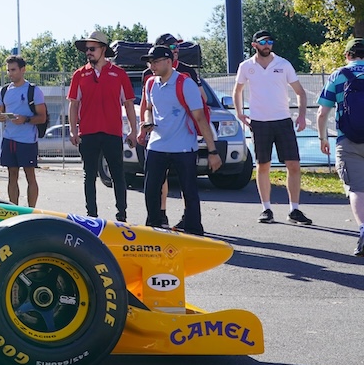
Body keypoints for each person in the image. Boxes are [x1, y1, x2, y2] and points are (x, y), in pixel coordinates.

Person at [136, 46, 222, 235]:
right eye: (150, 62)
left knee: (189, 191)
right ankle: (154, 227)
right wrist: (147, 121)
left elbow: (200, 117)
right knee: (151, 190)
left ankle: (193, 229)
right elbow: (149, 107)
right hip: (156, 145)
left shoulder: (185, 83)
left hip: (183, 147)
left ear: (168, 61)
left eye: (156, 61)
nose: (152, 65)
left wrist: (212, 151)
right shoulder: (150, 83)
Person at [234, 29, 310, 225]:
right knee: (262, 165)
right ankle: (266, 209)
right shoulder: (246, 66)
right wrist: (240, 112)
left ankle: (294, 210)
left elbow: (300, 92)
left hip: (283, 120)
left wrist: (301, 115)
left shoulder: (283, 64)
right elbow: (238, 90)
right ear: (254, 45)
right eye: (262, 41)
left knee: (293, 165)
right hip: (259, 122)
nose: (267, 45)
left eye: (270, 41)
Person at [68, 30, 136, 222]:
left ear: (103, 50)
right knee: (89, 175)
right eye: (86, 49)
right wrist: (73, 130)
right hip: (88, 133)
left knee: (117, 174)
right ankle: (91, 215)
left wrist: (133, 130)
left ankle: (121, 215)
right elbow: (73, 104)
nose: (88, 52)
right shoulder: (79, 75)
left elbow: (129, 103)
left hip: (112, 132)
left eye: (92, 49)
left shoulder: (119, 74)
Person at [316, 37, 364, 255]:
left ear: (347, 55)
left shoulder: (338, 76)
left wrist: (322, 138)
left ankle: (363, 230)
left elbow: (322, 112)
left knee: (356, 189)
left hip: (348, 140)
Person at [0, 55, 46, 207]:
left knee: (30, 176)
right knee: (12, 175)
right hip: (9, 138)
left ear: (22, 70)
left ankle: (31, 211)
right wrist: (1, 117)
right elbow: (0, 112)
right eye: (8, 70)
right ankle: (14, 210)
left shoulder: (33, 90)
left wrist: (25, 119)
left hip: (27, 140)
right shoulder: (3, 91)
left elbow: (42, 117)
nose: (10, 73)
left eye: (13, 70)